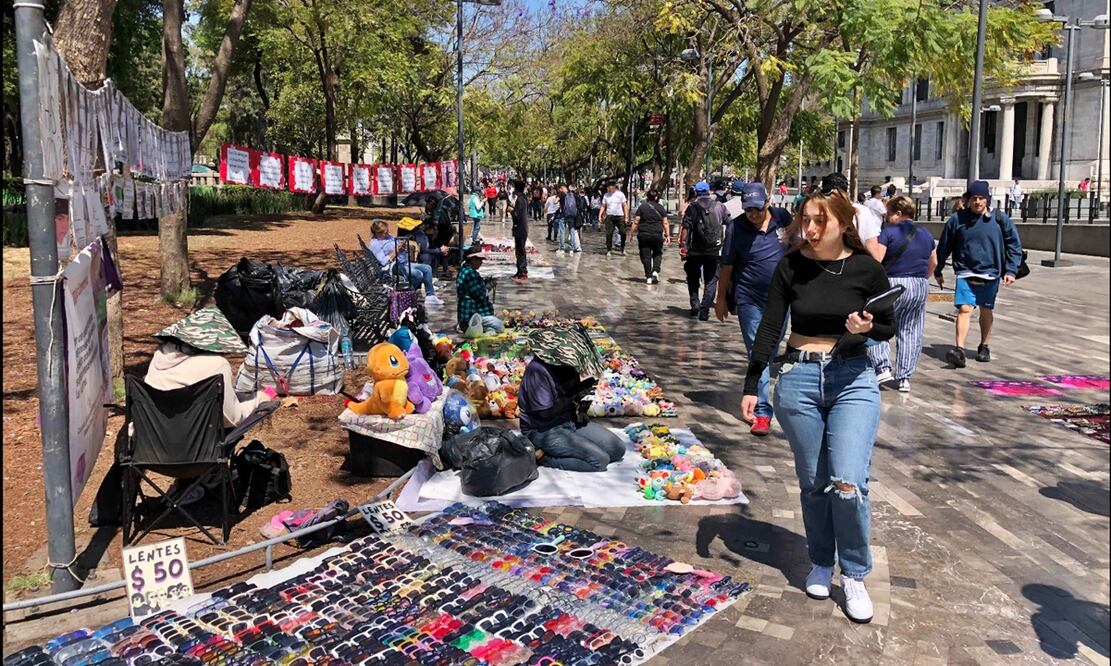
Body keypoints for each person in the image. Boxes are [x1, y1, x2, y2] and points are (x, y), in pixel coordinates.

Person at [741, 187, 896, 624]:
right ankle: (821, 561)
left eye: (818, 221)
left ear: (842, 224)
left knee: (847, 481)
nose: (808, 229)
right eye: (804, 220)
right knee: (813, 482)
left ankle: (854, 573)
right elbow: (771, 326)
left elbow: (888, 325)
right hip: (799, 379)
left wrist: (865, 326)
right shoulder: (790, 265)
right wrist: (754, 383)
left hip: (852, 380)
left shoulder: (866, 268)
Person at [714, 182, 792, 436]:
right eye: (748, 210)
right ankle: (762, 412)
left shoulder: (783, 218)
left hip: (781, 300)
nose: (753, 215)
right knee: (757, 350)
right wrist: (721, 299)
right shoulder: (736, 226)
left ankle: (758, 387)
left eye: (757, 209)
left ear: (767, 203)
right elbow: (726, 266)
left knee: (769, 351)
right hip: (749, 298)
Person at [934, 179, 1023, 367]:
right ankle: (959, 349)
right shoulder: (957, 220)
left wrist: (1011, 271)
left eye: (982, 198)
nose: (978, 202)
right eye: (974, 198)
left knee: (986, 309)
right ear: (968, 200)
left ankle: (984, 345)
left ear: (987, 199)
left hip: (991, 273)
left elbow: (1014, 245)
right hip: (966, 272)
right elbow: (944, 246)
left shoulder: (999, 219)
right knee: (964, 308)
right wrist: (938, 268)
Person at [145, 306, 276, 429]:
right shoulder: (216, 364)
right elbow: (232, 418)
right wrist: (260, 399)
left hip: (147, 440)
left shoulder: (160, 356)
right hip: (194, 444)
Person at [866, 195, 937, 392]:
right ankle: (904, 377)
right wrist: (923, 278)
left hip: (893, 283)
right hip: (919, 284)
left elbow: (877, 259)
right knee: (911, 330)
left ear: (898, 213)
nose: (886, 217)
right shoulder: (926, 234)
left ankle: (883, 367)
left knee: (878, 322)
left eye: (888, 213)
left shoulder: (889, 232)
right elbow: (934, 262)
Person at [518, 357, 625, 472]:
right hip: (543, 429)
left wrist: (581, 389)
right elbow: (545, 414)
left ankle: (567, 448)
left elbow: (571, 396)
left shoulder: (567, 364)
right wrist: (573, 395)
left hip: (569, 421)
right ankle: (543, 457)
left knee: (617, 449)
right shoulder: (538, 371)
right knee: (599, 461)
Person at [680, 180, 727, 320]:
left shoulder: (692, 207)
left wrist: (683, 246)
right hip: (714, 249)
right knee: (711, 279)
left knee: (693, 277)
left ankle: (695, 304)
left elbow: (686, 227)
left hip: (695, 250)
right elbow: (729, 223)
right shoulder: (719, 206)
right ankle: (705, 309)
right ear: (708, 191)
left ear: (696, 192)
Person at [368, 219, 445, 305]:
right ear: (376, 232)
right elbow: (383, 262)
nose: (386, 234)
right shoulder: (375, 243)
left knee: (427, 268)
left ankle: (430, 296)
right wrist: (396, 251)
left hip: (403, 262)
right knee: (417, 274)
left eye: (387, 231)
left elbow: (397, 244)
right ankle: (408, 295)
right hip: (391, 267)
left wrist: (403, 245)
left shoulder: (388, 236)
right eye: (383, 233)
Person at [455, 246, 504, 333]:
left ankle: (470, 326)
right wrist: (490, 285)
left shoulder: (466, 270)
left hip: (469, 312)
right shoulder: (469, 273)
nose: (481, 262)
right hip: (471, 312)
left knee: (494, 324)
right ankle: (468, 326)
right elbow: (480, 294)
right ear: (473, 260)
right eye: (480, 260)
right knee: (499, 326)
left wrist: (486, 282)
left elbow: (476, 286)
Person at [630, 189, 670, 284]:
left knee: (645, 255)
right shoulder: (661, 208)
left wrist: (631, 233)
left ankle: (648, 276)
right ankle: (655, 271)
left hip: (644, 234)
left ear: (647, 197)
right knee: (657, 253)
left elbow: (636, 222)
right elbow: (665, 222)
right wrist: (667, 235)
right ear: (656, 197)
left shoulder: (642, 207)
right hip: (657, 234)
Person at [600, 181, 629, 256]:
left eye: (609, 187)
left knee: (623, 232)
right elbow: (603, 205)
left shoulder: (620, 194)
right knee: (609, 233)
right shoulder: (606, 195)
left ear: (613, 186)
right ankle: (609, 249)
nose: (608, 188)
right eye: (607, 187)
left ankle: (622, 248)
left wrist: (626, 216)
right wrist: (600, 215)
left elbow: (625, 205)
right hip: (610, 216)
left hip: (620, 216)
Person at [510, 180, 530, 280]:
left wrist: (511, 211)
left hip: (520, 228)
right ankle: (519, 270)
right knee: (519, 250)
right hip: (522, 228)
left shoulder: (520, 199)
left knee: (520, 250)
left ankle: (522, 271)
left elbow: (517, 215)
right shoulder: (523, 198)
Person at [556, 184, 581, 254]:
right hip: (572, 215)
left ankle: (561, 248)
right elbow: (579, 203)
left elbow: (555, 202)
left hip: (563, 215)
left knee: (562, 231)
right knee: (572, 231)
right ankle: (571, 249)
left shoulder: (561, 194)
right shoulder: (573, 195)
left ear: (561, 189)